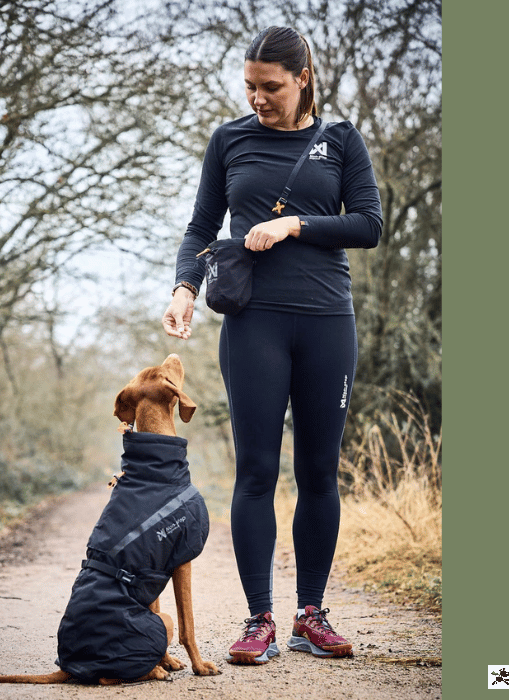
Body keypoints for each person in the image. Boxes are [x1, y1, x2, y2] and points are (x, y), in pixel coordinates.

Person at [161, 26, 382, 664]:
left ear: (303, 77)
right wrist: (184, 289)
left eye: (272, 87)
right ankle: (258, 619)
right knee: (256, 472)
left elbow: (367, 223)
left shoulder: (339, 140)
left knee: (318, 473)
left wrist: (295, 223)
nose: (258, 98)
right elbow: (202, 226)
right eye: (250, 86)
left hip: (325, 323)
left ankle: (310, 615)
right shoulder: (229, 139)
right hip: (253, 325)